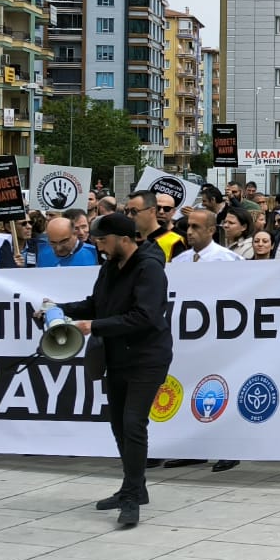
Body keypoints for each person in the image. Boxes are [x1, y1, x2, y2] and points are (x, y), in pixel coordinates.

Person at [51, 215, 172, 529]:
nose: (98, 246)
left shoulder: (149, 269)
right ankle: (134, 486)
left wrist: (94, 326)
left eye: (103, 241)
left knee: (133, 422)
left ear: (123, 238)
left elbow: (143, 316)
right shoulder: (109, 268)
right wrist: (61, 308)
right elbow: (96, 303)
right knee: (118, 423)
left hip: (147, 356)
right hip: (116, 355)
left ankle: (132, 497)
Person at [35, 214, 101, 268]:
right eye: (53, 243)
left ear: (75, 234)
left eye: (63, 241)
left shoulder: (94, 252)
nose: (59, 248)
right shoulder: (40, 251)